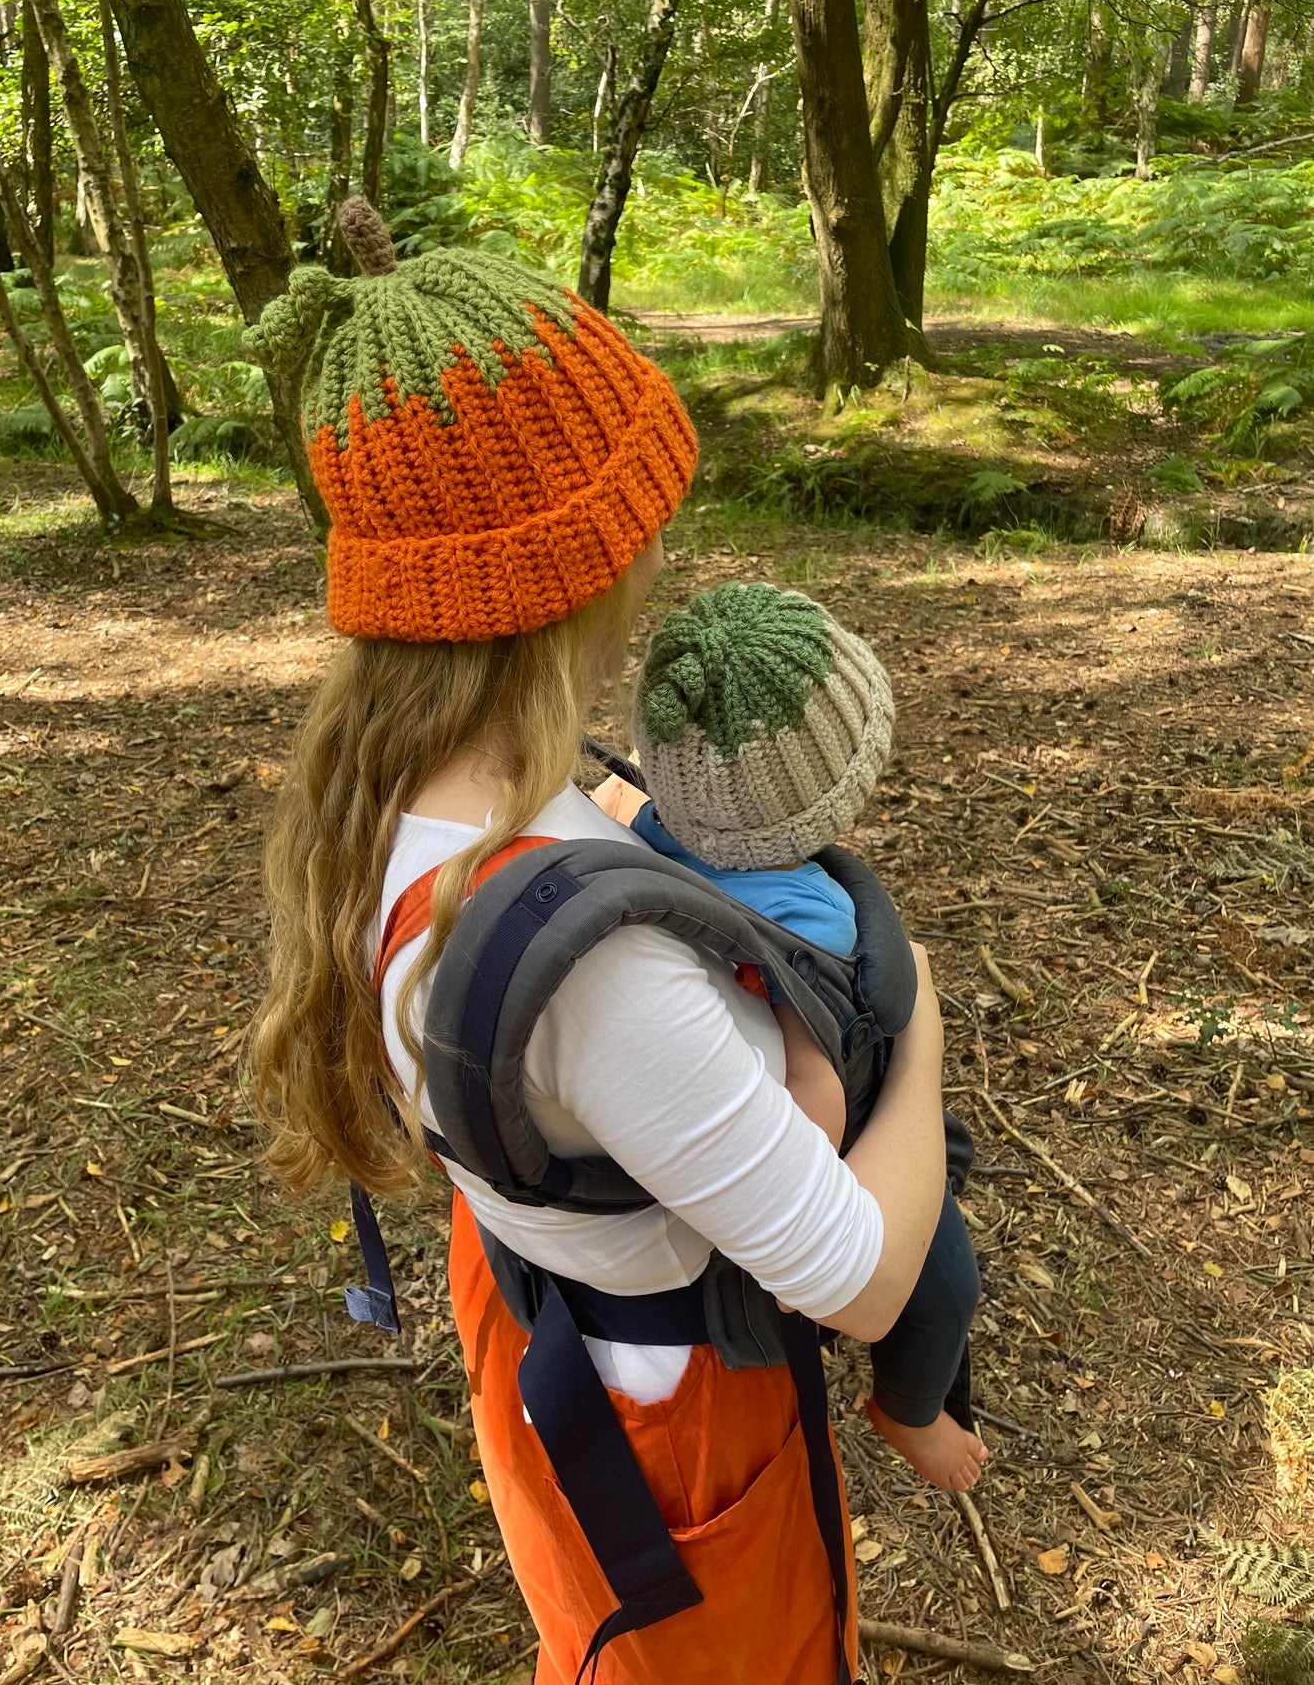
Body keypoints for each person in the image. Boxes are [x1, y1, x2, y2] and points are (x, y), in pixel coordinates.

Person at [247, 200, 952, 1685]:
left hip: (536, 1316)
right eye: (641, 516)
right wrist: (920, 1008)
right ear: (570, 562)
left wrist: (616, 808)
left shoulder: (388, 795)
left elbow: (568, 837)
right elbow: (862, 1278)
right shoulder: (604, 974)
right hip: (673, 1415)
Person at [620, 580, 987, 1493]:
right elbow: (814, 1079)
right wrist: (798, 1212)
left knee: (953, 1170)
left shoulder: (644, 825)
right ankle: (907, 1411)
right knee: (946, 1283)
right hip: (841, 1141)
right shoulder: (806, 920)